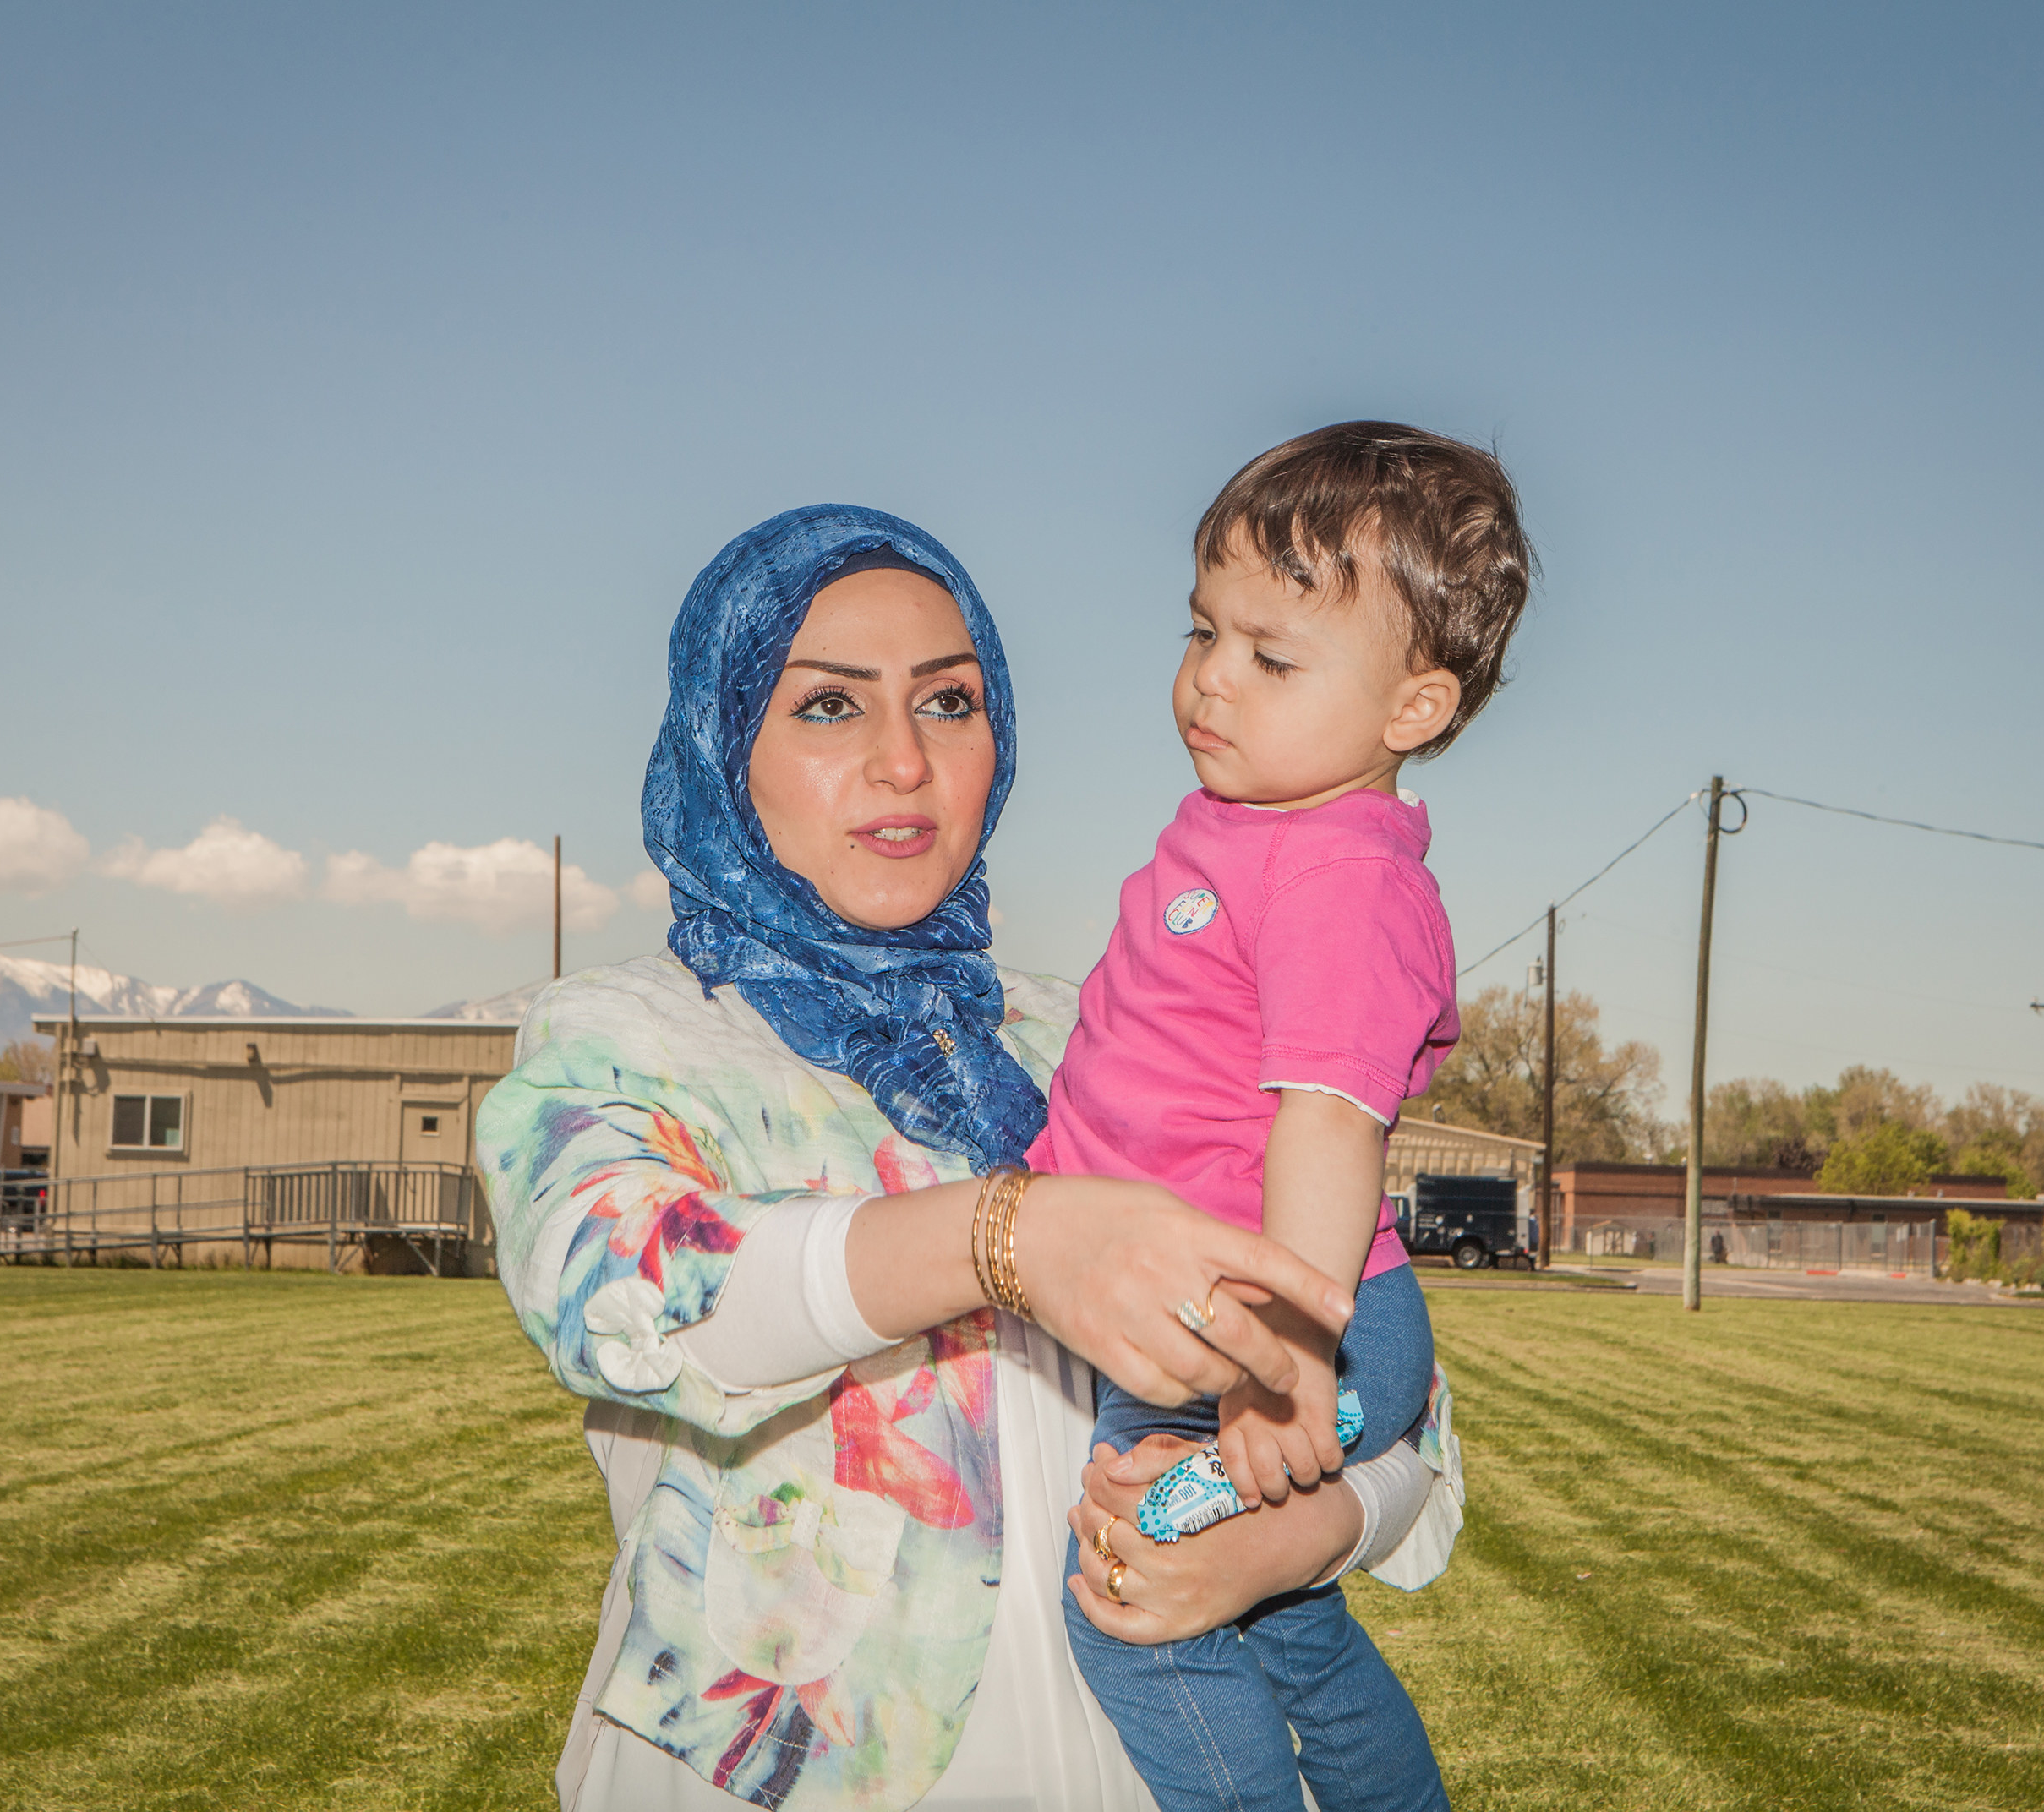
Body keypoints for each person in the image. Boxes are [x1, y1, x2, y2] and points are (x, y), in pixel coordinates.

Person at [478, 503, 1467, 1811]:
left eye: (948, 704)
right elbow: (628, 1303)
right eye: (828, 709)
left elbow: (1398, 1423)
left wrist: (1297, 1537)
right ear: (724, 743)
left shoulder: (1101, 1026)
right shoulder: (627, 1040)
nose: (903, 762)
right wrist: (1007, 1236)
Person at [1038, 423, 1533, 1811]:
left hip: (1284, 1325)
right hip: (1233, 1320)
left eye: (1271, 656)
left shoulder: (1341, 875)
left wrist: (1280, 1362)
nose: (1208, 681)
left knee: (1137, 1607)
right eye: (1203, 631)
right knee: (1287, 1620)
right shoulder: (1258, 828)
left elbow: (1326, 1125)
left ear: (1412, 710)